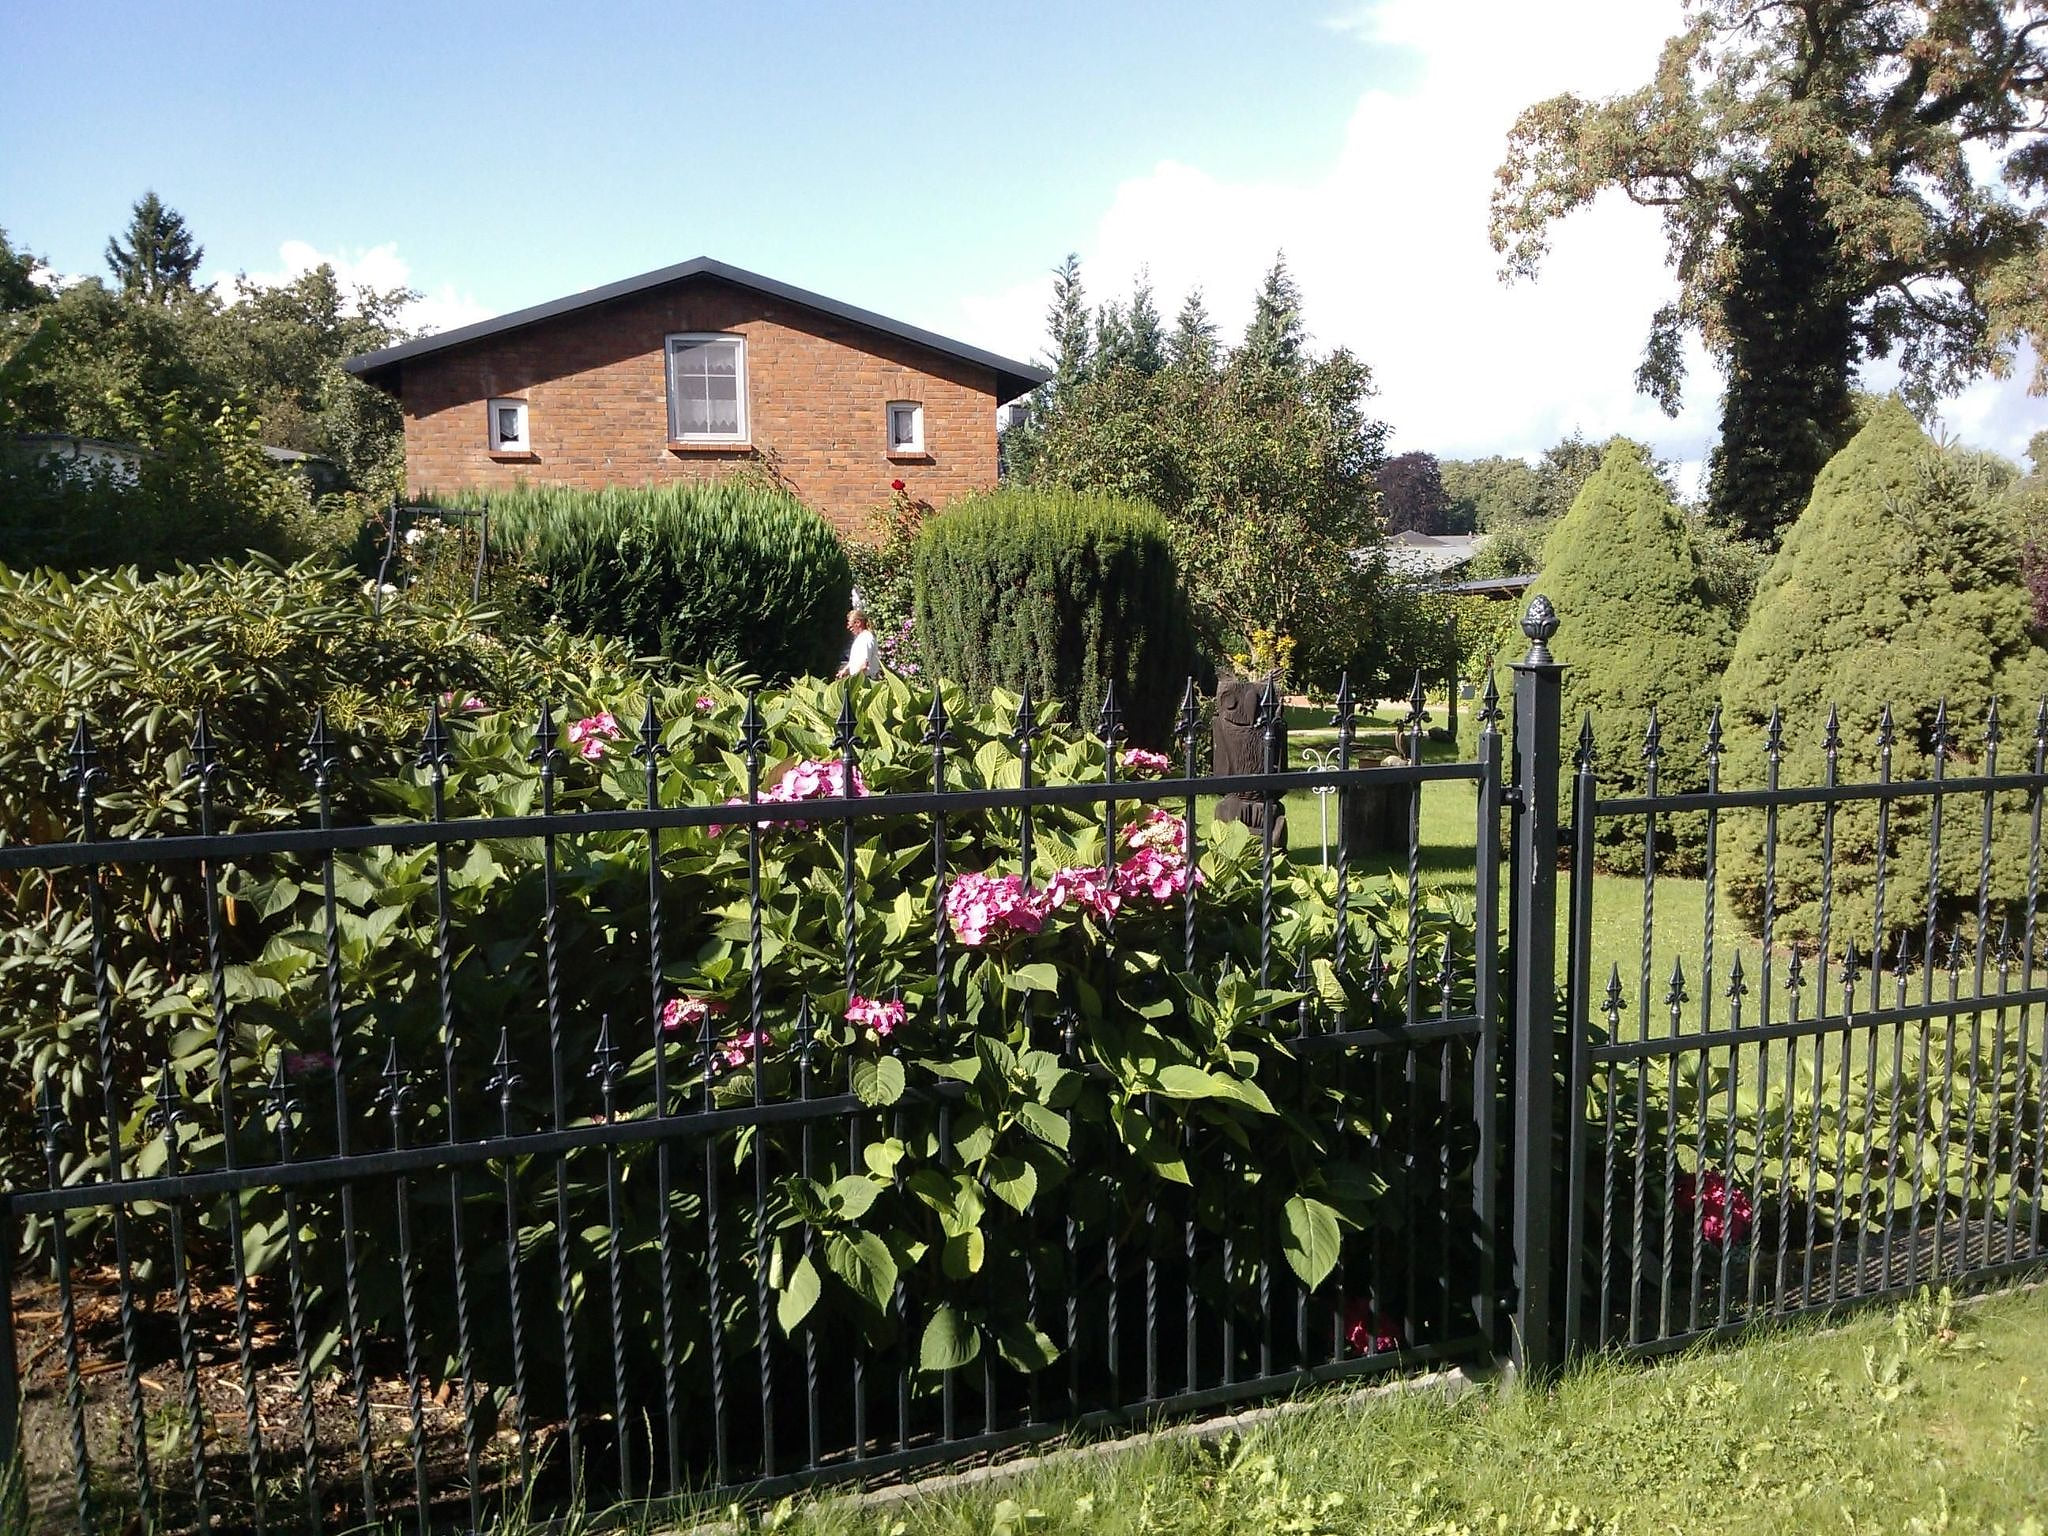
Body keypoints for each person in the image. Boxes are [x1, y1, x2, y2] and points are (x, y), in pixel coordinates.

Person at [838, 608, 881, 681]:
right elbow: (856, 661)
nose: (848, 628)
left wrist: (853, 681)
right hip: (861, 679)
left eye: (851, 626)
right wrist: (845, 670)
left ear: (858, 623)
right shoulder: (861, 638)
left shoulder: (866, 638)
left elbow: (864, 665)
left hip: (865, 681)